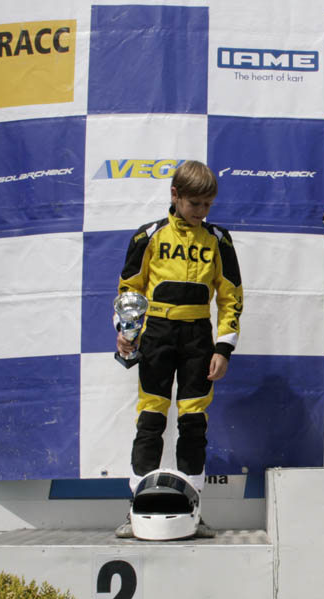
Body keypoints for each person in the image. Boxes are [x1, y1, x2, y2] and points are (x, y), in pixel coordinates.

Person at [113, 160, 243, 538]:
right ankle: (135, 509)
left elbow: (231, 296)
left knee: (193, 422)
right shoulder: (148, 235)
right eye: (194, 204)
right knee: (151, 419)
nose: (201, 212)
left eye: (207, 205)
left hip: (198, 338)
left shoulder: (218, 239)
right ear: (175, 195)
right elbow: (129, 290)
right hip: (156, 334)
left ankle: (193, 509)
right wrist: (126, 331)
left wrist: (223, 348)